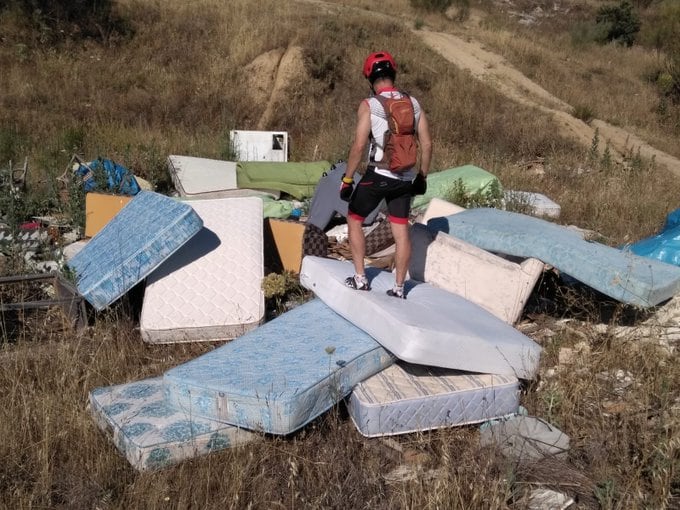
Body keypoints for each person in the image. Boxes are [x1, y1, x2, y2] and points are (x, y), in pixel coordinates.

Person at [340, 51, 432, 299]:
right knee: (401, 231)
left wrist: (347, 179)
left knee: (355, 217)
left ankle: (360, 279)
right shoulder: (413, 104)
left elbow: (359, 146)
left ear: (370, 79)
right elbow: (427, 143)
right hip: (405, 178)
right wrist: (421, 177)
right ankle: (399, 288)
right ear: (393, 74)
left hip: (378, 175)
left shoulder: (369, 105)